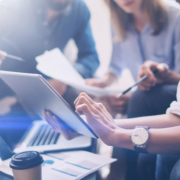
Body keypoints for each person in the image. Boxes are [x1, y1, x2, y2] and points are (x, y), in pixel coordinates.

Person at [0, 0, 99, 109]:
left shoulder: (80, 9)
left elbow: (90, 57)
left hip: (49, 83)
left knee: (80, 102)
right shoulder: (12, 5)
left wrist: (64, 77)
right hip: (6, 80)